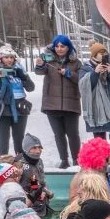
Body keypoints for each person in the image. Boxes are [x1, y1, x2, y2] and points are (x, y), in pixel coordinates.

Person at [35, 34, 83, 168]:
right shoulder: (48, 60)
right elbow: (40, 71)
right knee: (59, 134)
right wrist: (39, 65)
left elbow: (82, 79)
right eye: (57, 46)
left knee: (73, 134)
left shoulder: (76, 62)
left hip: (71, 104)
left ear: (68, 47)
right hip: (52, 104)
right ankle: (64, 160)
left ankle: (76, 159)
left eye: (63, 46)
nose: (59, 49)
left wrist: (69, 74)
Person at [80, 42, 110, 139]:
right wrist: (95, 73)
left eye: (105, 53)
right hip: (97, 110)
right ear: (94, 55)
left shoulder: (109, 67)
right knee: (100, 141)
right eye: (101, 53)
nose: (104, 55)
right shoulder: (85, 68)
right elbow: (85, 88)